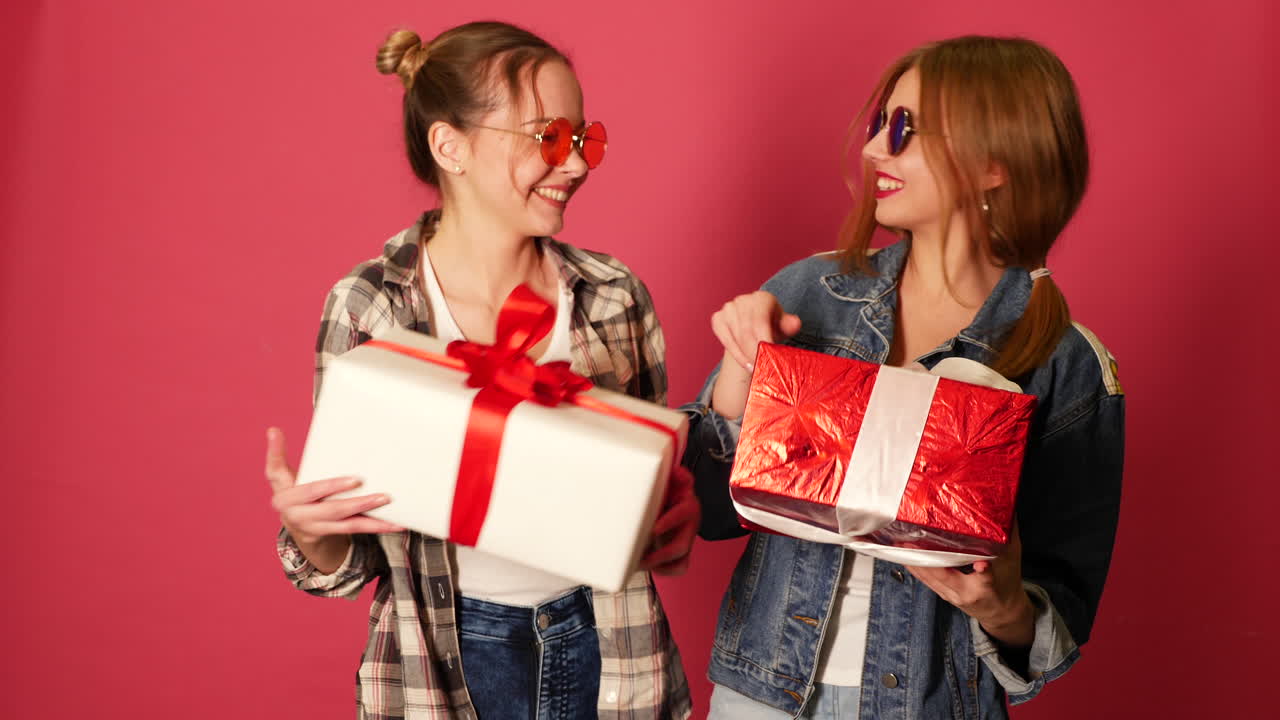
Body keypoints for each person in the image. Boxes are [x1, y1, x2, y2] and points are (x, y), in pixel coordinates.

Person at [262, 21, 696, 720]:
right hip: (446, 660)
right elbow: (353, 556)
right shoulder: (372, 306)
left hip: (609, 648)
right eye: (549, 138)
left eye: (585, 139)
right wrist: (316, 533)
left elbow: (655, 491)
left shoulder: (614, 295)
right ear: (449, 145)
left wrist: (671, 517)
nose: (578, 163)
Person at [682, 35, 1124, 719]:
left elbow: (1054, 629)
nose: (873, 151)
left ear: (995, 161)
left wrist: (1004, 605)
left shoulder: (1066, 365)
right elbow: (705, 509)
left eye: (905, 129)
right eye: (880, 125)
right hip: (759, 695)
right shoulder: (807, 296)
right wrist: (743, 373)